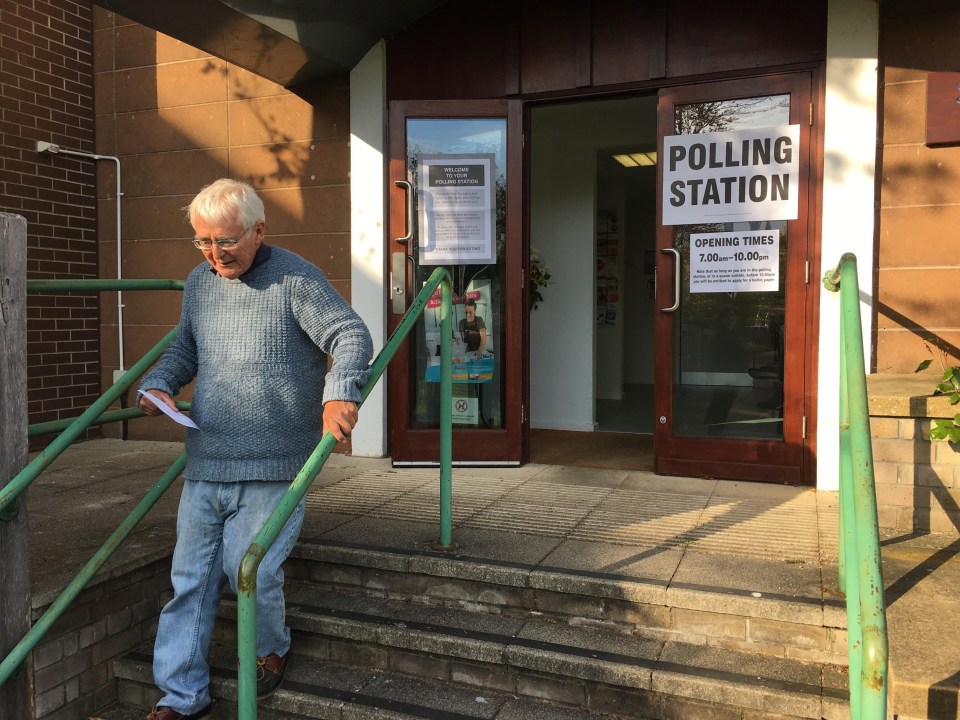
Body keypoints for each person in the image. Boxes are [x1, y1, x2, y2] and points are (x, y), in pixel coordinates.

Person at [137, 179, 373, 720]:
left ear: (258, 230)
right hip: (207, 458)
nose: (215, 254)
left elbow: (349, 335)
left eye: (226, 241)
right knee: (189, 582)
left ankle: (270, 648)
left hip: (275, 463)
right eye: (203, 242)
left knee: (255, 571)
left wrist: (338, 395)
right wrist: (158, 383)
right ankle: (181, 695)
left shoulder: (295, 277)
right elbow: (185, 349)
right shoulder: (200, 282)